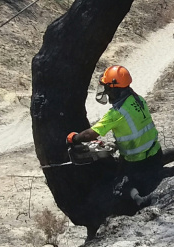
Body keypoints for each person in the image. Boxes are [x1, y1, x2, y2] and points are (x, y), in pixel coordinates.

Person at [66, 65, 163, 209]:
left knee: (119, 188)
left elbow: (90, 134)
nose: (105, 91)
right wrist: (117, 144)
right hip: (155, 154)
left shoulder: (116, 113)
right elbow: (136, 128)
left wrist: (73, 138)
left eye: (107, 87)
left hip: (138, 163)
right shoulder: (139, 100)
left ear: (114, 88)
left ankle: (140, 201)